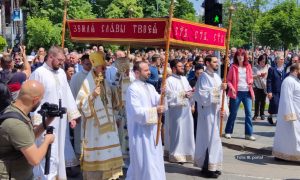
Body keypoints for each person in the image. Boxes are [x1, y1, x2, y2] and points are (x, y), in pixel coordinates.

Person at [29, 46, 81, 179]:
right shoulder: (39, 73)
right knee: (47, 154)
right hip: (45, 122)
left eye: (63, 60)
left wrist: (72, 116)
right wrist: (36, 122)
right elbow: (33, 98)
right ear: (50, 57)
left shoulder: (61, 73)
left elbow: (67, 94)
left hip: (61, 121)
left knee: (58, 153)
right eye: (59, 60)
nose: (62, 63)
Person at [75, 51, 123, 180]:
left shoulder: (106, 83)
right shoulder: (87, 83)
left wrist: (120, 86)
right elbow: (80, 104)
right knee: (98, 157)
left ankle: (110, 176)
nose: (105, 69)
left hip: (109, 127)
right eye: (103, 67)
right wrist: (92, 96)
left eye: (105, 67)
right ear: (96, 67)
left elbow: (114, 103)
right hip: (94, 129)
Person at [0, 80, 55, 180]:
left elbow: (27, 138)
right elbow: (35, 160)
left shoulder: (15, 110)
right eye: (40, 100)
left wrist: (47, 121)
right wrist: (48, 140)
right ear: (35, 100)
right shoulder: (16, 124)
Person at [125, 61, 166, 180]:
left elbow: (159, 101)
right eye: (146, 70)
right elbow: (136, 112)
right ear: (137, 73)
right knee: (143, 161)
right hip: (140, 132)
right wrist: (155, 110)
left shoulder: (150, 87)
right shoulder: (133, 89)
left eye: (149, 70)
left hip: (152, 130)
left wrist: (163, 94)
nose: (149, 72)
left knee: (154, 160)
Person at [193, 55, 228, 178]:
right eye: (214, 61)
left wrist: (224, 109)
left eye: (217, 61)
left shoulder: (217, 77)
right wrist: (220, 88)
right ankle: (207, 168)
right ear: (207, 63)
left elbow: (223, 96)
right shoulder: (203, 77)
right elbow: (203, 95)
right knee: (209, 139)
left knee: (216, 140)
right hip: (207, 113)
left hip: (216, 112)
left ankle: (214, 165)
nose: (217, 63)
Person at [166, 59, 195, 164]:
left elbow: (188, 90)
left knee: (187, 131)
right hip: (176, 111)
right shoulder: (168, 81)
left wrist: (191, 93)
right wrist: (183, 94)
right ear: (174, 68)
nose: (183, 68)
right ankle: (176, 155)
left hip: (186, 109)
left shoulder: (184, 78)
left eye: (182, 66)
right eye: (180, 66)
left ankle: (187, 154)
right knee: (177, 132)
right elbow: (168, 96)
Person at [224, 49, 256, 141]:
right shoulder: (233, 67)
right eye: (238, 55)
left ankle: (248, 134)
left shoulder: (248, 66)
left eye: (242, 55)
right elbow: (228, 80)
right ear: (236, 57)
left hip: (247, 93)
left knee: (249, 113)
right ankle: (228, 131)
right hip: (236, 93)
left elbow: (251, 78)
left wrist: (250, 81)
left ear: (244, 57)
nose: (240, 57)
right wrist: (232, 88)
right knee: (233, 113)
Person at [272, 63, 300, 162]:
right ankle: (284, 155)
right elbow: (286, 99)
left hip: (297, 112)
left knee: (292, 136)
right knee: (290, 135)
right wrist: (290, 114)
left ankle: (289, 155)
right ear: (296, 70)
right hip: (291, 114)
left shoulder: (296, 80)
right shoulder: (288, 81)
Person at [69, 54, 92, 157]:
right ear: (82, 63)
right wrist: (74, 113)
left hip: (93, 111)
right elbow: (72, 95)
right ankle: (79, 155)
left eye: (91, 63)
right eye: (87, 63)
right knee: (80, 135)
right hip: (80, 111)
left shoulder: (96, 75)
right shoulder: (76, 77)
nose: (89, 65)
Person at [266, 55, 286, 125]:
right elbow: (269, 81)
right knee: (275, 104)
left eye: (283, 59)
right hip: (274, 90)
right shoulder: (272, 69)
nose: (282, 60)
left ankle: (279, 120)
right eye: (281, 59)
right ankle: (270, 116)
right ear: (277, 60)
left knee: (281, 105)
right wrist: (269, 91)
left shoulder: (285, 69)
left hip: (283, 90)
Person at [252, 54, 270, 121]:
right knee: (257, 101)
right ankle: (256, 114)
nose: (263, 62)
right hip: (257, 86)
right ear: (259, 61)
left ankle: (262, 114)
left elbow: (270, 76)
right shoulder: (255, 67)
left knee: (263, 101)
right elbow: (251, 76)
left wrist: (265, 75)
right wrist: (257, 76)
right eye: (262, 61)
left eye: (264, 61)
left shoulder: (268, 67)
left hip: (265, 87)